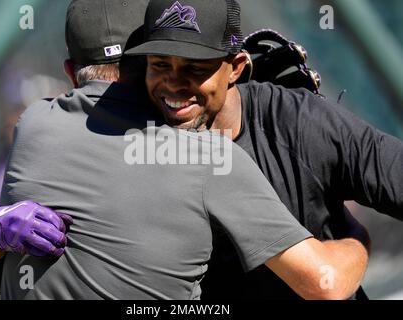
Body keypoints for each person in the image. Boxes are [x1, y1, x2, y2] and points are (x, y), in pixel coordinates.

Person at [0, 0, 370, 300]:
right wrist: (354, 237)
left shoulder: (33, 126)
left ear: (70, 73)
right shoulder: (207, 157)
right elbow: (325, 285)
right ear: (152, 65)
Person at [125, 0, 403, 299]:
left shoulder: (296, 123)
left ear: (235, 68)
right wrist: (355, 242)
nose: (174, 83)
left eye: (195, 67)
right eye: (160, 64)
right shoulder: (133, 139)